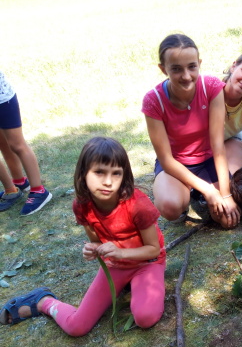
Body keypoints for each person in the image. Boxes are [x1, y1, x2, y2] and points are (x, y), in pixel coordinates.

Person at [0, 137, 166, 336]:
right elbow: (96, 241)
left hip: (147, 264)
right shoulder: (82, 205)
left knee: (146, 317)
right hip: (115, 266)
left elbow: (154, 250)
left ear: (125, 175)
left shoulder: (138, 205)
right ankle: (44, 302)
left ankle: (133, 286)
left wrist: (121, 253)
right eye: (99, 172)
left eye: (116, 173)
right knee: (76, 327)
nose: (108, 181)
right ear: (83, 173)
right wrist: (93, 248)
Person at [142, 34, 240, 228]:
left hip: (209, 159)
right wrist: (210, 191)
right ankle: (190, 192)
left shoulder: (211, 87)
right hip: (176, 164)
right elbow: (166, 159)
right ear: (163, 69)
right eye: (176, 69)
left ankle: (197, 193)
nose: (186, 76)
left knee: (227, 219)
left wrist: (226, 194)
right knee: (170, 207)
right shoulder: (153, 101)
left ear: (199, 64)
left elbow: (218, 146)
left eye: (192, 67)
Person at [0, 71, 52, 215]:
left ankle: (39, 191)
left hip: (2, 100)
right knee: (4, 144)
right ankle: (18, 183)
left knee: (17, 145)